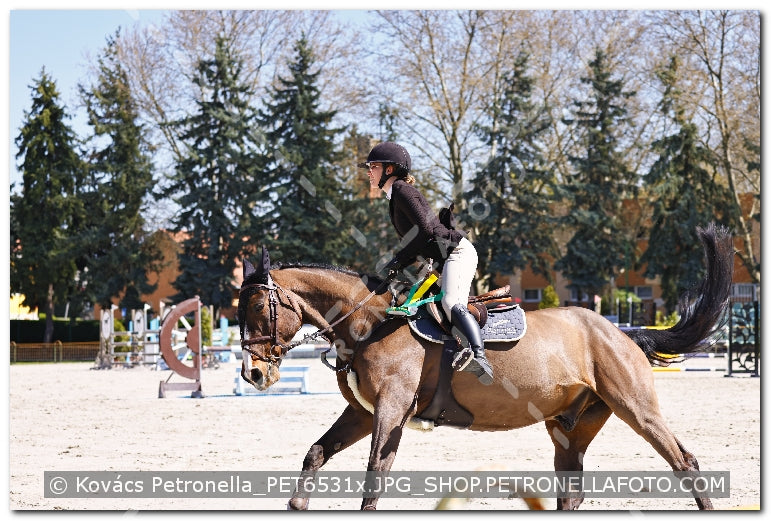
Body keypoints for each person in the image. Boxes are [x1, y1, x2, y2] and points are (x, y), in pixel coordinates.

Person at [359, 141, 493, 385]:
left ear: (389, 169)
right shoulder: (395, 196)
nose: (369, 172)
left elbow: (425, 232)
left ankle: (480, 357)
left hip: (456, 253)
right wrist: (396, 265)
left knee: (451, 302)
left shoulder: (401, 190)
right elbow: (420, 240)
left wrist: (399, 260)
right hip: (442, 258)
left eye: (373, 167)